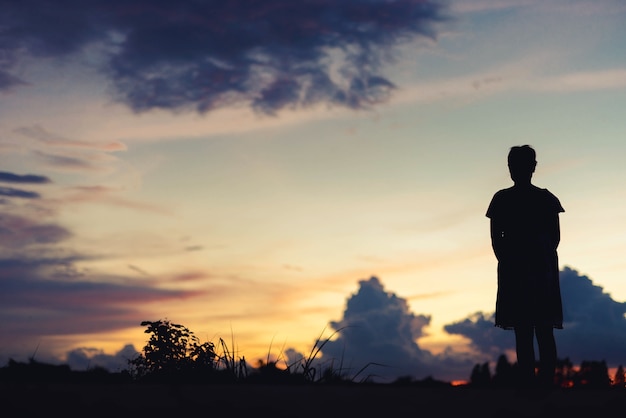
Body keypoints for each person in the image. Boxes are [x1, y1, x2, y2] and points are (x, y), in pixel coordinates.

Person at [486, 145, 564, 392]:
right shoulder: (506, 199)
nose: (515, 170)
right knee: (531, 330)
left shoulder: (541, 198)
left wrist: (515, 258)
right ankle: (534, 385)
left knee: (535, 330)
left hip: (533, 270)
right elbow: (497, 240)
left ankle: (540, 385)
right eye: (512, 166)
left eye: (518, 165)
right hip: (525, 270)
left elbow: (554, 238)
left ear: (532, 167)